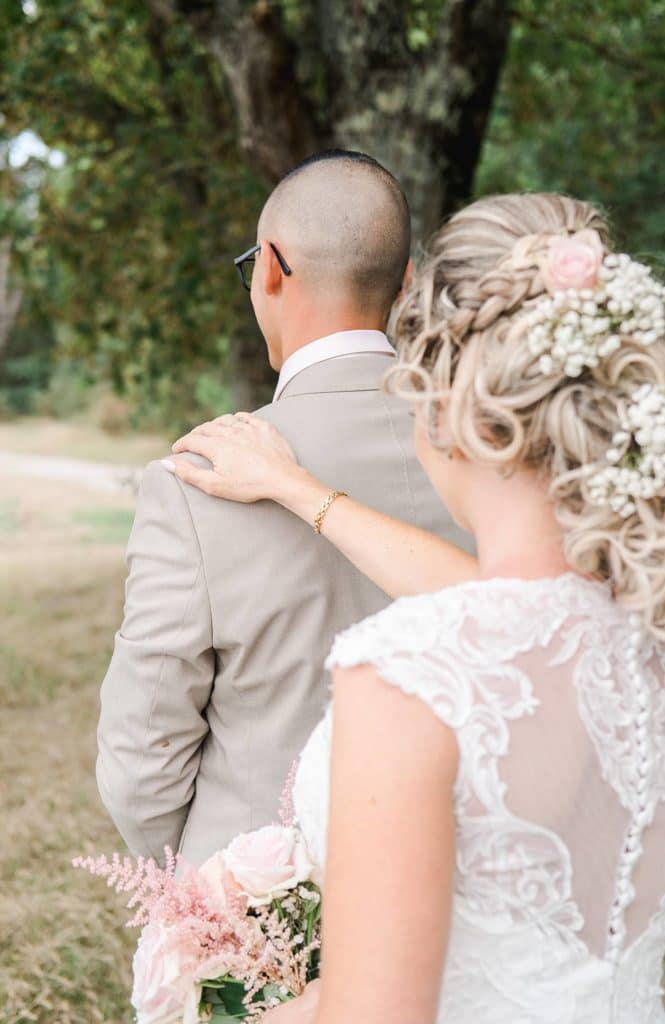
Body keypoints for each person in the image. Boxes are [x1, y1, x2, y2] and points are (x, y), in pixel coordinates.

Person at [168, 192, 665, 1023]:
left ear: (445, 404)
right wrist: (299, 491)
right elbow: (506, 608)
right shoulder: (652, 635)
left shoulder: (409, 671)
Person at [96, 149, 473, 868]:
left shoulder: (192, 482)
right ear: (403, 284)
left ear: (269, 268)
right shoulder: (495, 454)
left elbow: (142, 747)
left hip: (265, 905)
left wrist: (210, 888)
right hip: (460, 883)